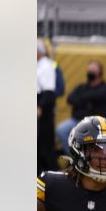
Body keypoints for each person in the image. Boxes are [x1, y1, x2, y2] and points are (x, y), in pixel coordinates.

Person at [57, 61, 106, 150]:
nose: (90, 73)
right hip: (77, 120)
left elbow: (96, 97)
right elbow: (70, 99)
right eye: (89, 70)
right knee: (61, 130)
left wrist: (82, 99)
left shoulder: (105, 88)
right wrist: (86, 100)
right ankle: (74, 155)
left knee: (89, 139)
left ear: (100, 73)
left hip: (96, 123)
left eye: (93, 71)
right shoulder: (82, 87)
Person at [37, 41, 60, 174]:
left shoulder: (46, 65)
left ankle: (52, 174)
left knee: (44, 145)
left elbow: (49, 91)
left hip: (43, 107)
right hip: (39, 101)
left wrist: (40, 106)